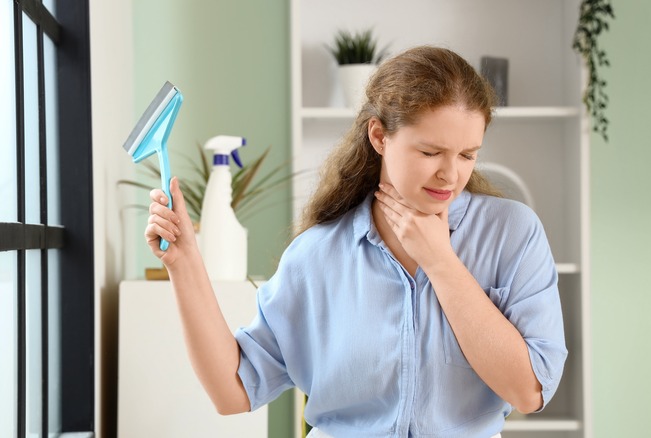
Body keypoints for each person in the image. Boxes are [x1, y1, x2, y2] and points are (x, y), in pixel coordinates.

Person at [145, 46, 567, 438]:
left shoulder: (512, 233)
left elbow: (529, 391)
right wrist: (183, 263)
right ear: (380, 137)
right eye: (430, 152)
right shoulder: (318, 254)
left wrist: (441, 263)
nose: (450, 174)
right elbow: (234, 390)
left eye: (467, 154)